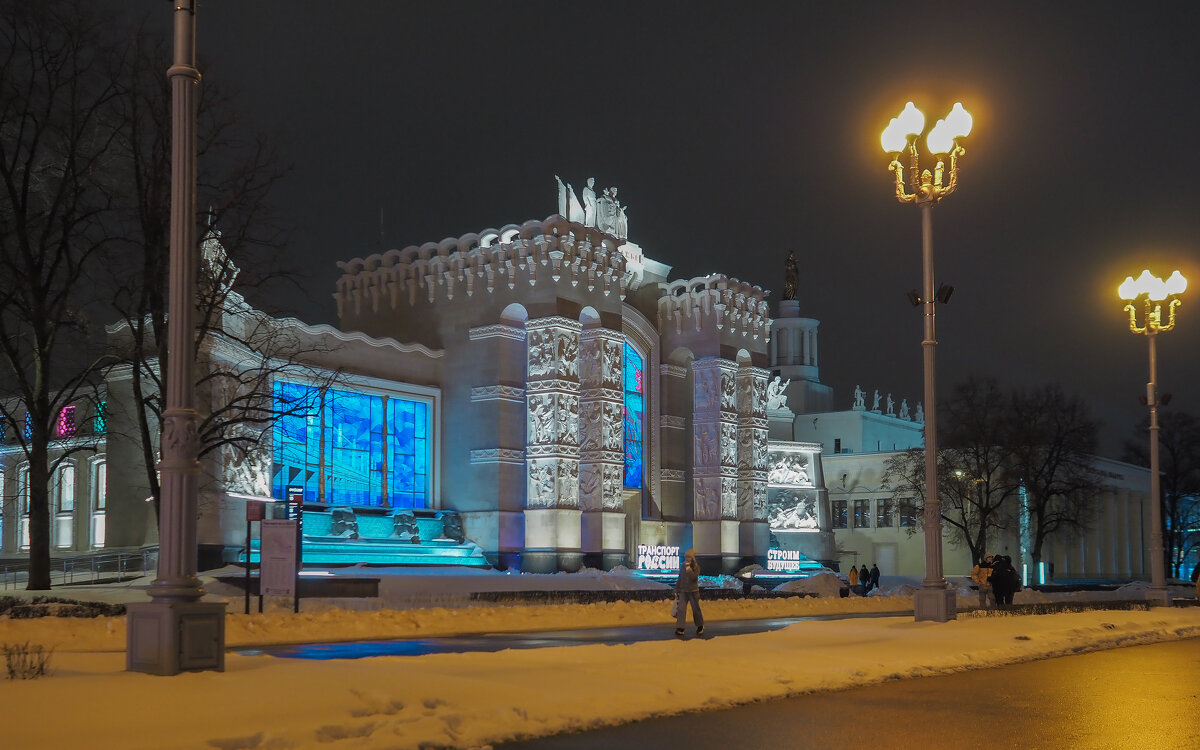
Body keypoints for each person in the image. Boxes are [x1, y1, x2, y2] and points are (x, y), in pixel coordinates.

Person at [674, 549, 704, 636]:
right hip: (684, 590)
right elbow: (680, 577)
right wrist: (677, 588)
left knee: (696, 610)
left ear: (692, 558)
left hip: (693, 591)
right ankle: (680, 627)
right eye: (686, 557)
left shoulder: (696, 566)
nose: (687, 558)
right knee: (681, 609)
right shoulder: (683, 566)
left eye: (689, 557)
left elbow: (694, 578)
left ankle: (700, 626)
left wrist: (689, 569)